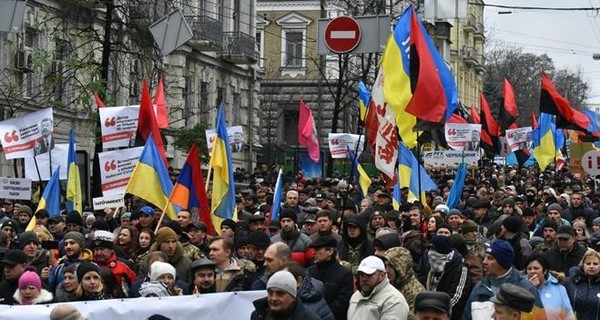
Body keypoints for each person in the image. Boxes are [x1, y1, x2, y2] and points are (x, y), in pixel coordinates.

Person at [462, 240, 542, 320]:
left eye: (490, 258)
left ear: (503, 262)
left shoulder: (526, 288)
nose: (484, 262)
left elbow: (539, 318)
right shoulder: (480, 287)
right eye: (485, 257)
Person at [347, 255, 410, 320]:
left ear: (382, 275)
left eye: (369, 275)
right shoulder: (356, 296)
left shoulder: (394, 300)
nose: (364, 279)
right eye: (361, 274)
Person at [426, 236, 472, 320]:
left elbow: (456, 298)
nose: (430, 253)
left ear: (442, 250)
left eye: (434, 249)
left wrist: (436, 311)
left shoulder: (461, 268)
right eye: (429, 249)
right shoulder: (432, 266)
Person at [306, 236, 353, 320]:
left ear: (330, 251)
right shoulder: (309, 272)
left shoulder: (344, 274)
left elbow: (342, 301)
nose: (314, 253)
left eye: (317, 250)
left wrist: (323, 314)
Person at [251, 270, 321, 320]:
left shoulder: (310, 318)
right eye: (270, 292)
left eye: (280, 293)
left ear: (293, 297)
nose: (274, 298)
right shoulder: (258, 315)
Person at [525, 254, 574, 320]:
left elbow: (569, 314)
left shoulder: (559, 288)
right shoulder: (521, 288)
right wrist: (530, 288)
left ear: (545, 271)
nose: (532, 271)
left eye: (536, 268)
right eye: (529, 269)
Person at [382, 247, 425, 319]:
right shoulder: (390, 284)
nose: (387, 270)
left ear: (401, 268)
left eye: (391, 266)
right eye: (386, 265)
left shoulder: (416, 293)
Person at [564, 250, 600, 320]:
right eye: (588, 263)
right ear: (582, 265)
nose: (591, 266)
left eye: (595, 264)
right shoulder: (569, 282)